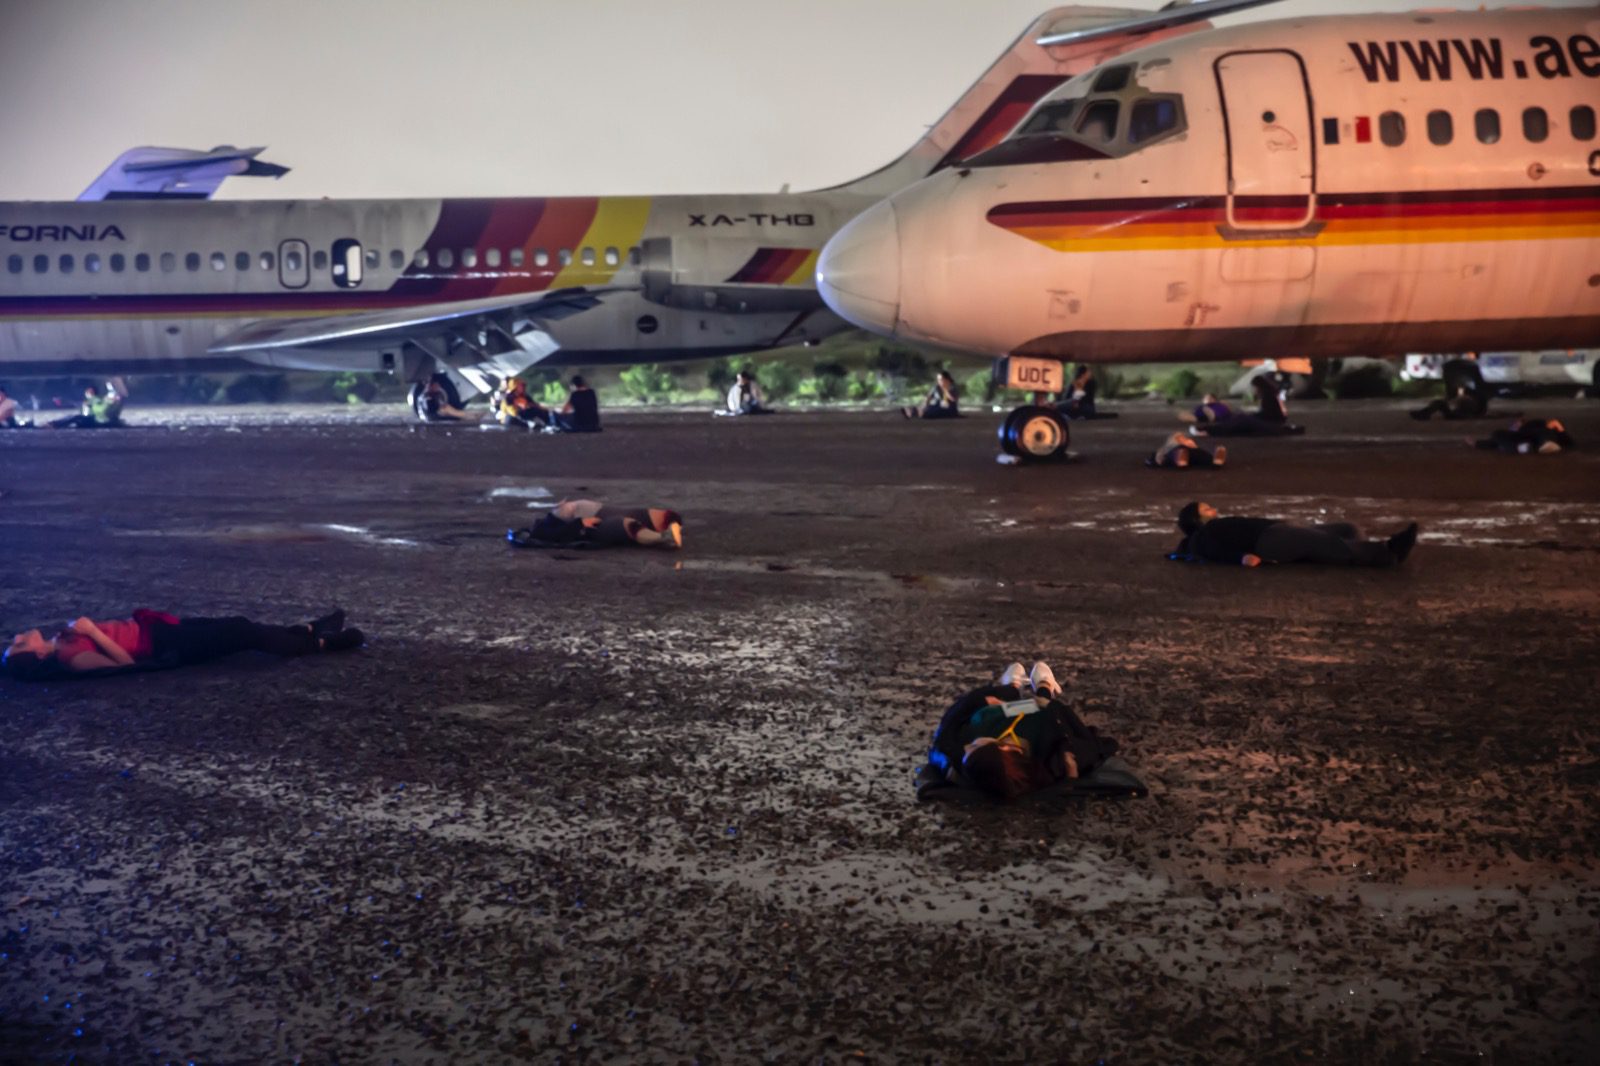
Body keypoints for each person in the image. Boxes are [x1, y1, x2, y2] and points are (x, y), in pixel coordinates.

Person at [925, 661, 1120, 802]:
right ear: (1005, 750)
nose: (967, 746)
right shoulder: (1052, 758)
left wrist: (980, 702)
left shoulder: (967, 757)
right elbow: (1077, 732)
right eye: (975, 747)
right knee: (1043, 705)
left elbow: (945, 732)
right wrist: (1070, 773)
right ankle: (1044, 685)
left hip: (997, 717)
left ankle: (1012, 686)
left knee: (989, 707)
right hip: (1036, 719)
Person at [3, 607, 363, 680]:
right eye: (18, 645)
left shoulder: (61, 640)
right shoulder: (70, 656)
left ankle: (306, 629)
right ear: (37, 654)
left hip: (158, 629)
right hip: (162, 643)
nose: (18, 637)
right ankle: (319, 644)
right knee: (242, 633)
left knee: (236, 625)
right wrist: (94, 633)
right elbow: (123, 666)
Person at [1171, 501, 1417, 567]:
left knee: (1347, 529)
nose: (1213, 510)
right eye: (1206, 510)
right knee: (1320, 541)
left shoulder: (1215, 527)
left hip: (1276, 531)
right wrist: (1241, 557)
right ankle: (1388, 553)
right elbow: (1212, 550)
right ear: (1198, 520)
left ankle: (1355, 554)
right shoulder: (1204, 535)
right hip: (1266, 541)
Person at [509, 498, 682, 549]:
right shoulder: (541, 528)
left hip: (600, 511)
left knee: (666, 516)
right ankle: (662, 538)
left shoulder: (548, 519)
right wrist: (580, 523)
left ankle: (668, 532)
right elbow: (548, 534)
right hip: (591, 528)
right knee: (624, 524)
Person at [1192, 374, 1303, 437]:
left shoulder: (1268, 396)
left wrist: (1253, 416)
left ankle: (1208, 430)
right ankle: (1209, 430)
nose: (1253, 390)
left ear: (1258, 387)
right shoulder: (1269, 395)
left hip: (1272, 425)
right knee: (1240, 419)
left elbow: (1269, 415)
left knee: (1242, 419)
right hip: (1272, 423)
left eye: (1254, 387)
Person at [1470, 417, 1574, 454]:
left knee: (1542, 432)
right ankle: (1521, 448)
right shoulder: (1514, 432)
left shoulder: (1537, 424)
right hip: (1523, 440)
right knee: (1497, 434)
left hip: (1539, 436)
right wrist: (1477, 443)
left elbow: (1563, 435)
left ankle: (1548, 443)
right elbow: (1495, 440)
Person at [48, 383, 124, 430]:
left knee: (76, 417)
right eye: (87, 391)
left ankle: (54, 425)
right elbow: (75, 404)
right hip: (92, 421)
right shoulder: (90, 400)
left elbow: (105, 402)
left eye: (89, 391)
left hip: (95, 421)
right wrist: (63, 402)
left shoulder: (96, 399)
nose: (87, 393)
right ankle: (55, 424)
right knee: (76, 418)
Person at [1146, 431, 1226, 469]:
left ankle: (1215, 461)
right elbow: (1154, 459)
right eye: (1179, 438)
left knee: (1201, 454)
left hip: (1189, 453)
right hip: (1179, 452)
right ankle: (1181, 459)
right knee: (1179, 452)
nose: (1183, 439)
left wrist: (1192, 446)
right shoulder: (1170, 447)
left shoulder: (1189, 444)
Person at [1411, 385, 1488, 421]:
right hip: (1458, 412)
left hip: (1463, 415)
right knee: (1439, 403)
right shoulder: (1466, 392)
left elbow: (1480, 410)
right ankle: (1425, 413)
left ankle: (1424, 414)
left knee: (1441, 403)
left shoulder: (1477, 395)